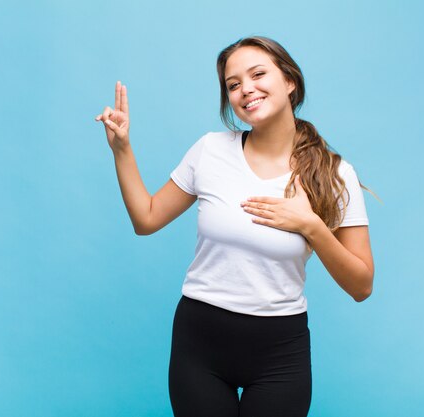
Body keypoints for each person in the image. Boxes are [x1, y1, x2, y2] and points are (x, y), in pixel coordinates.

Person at [95, 36, 374, 417]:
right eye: (233, 84)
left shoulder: (334, 173)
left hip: (280, 353)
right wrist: (122, 149)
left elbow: (361, 285)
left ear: (290, 81)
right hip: (200, 344)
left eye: (258, 74)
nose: (246, 89)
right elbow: (146, 219)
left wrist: (311, 226)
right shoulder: (210, 150)